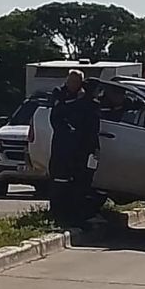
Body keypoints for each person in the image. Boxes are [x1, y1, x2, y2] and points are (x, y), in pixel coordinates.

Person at [48, 71, 101, 226]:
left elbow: (92, 126)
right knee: (59, 180)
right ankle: (58, 214)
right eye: (70, 81)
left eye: (76, 82)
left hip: (83, 148)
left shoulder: (89, 102)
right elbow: (57, 115)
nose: (72, 84)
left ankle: (78, 215)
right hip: (62, 147)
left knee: (81, 182)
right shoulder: (59, 93)